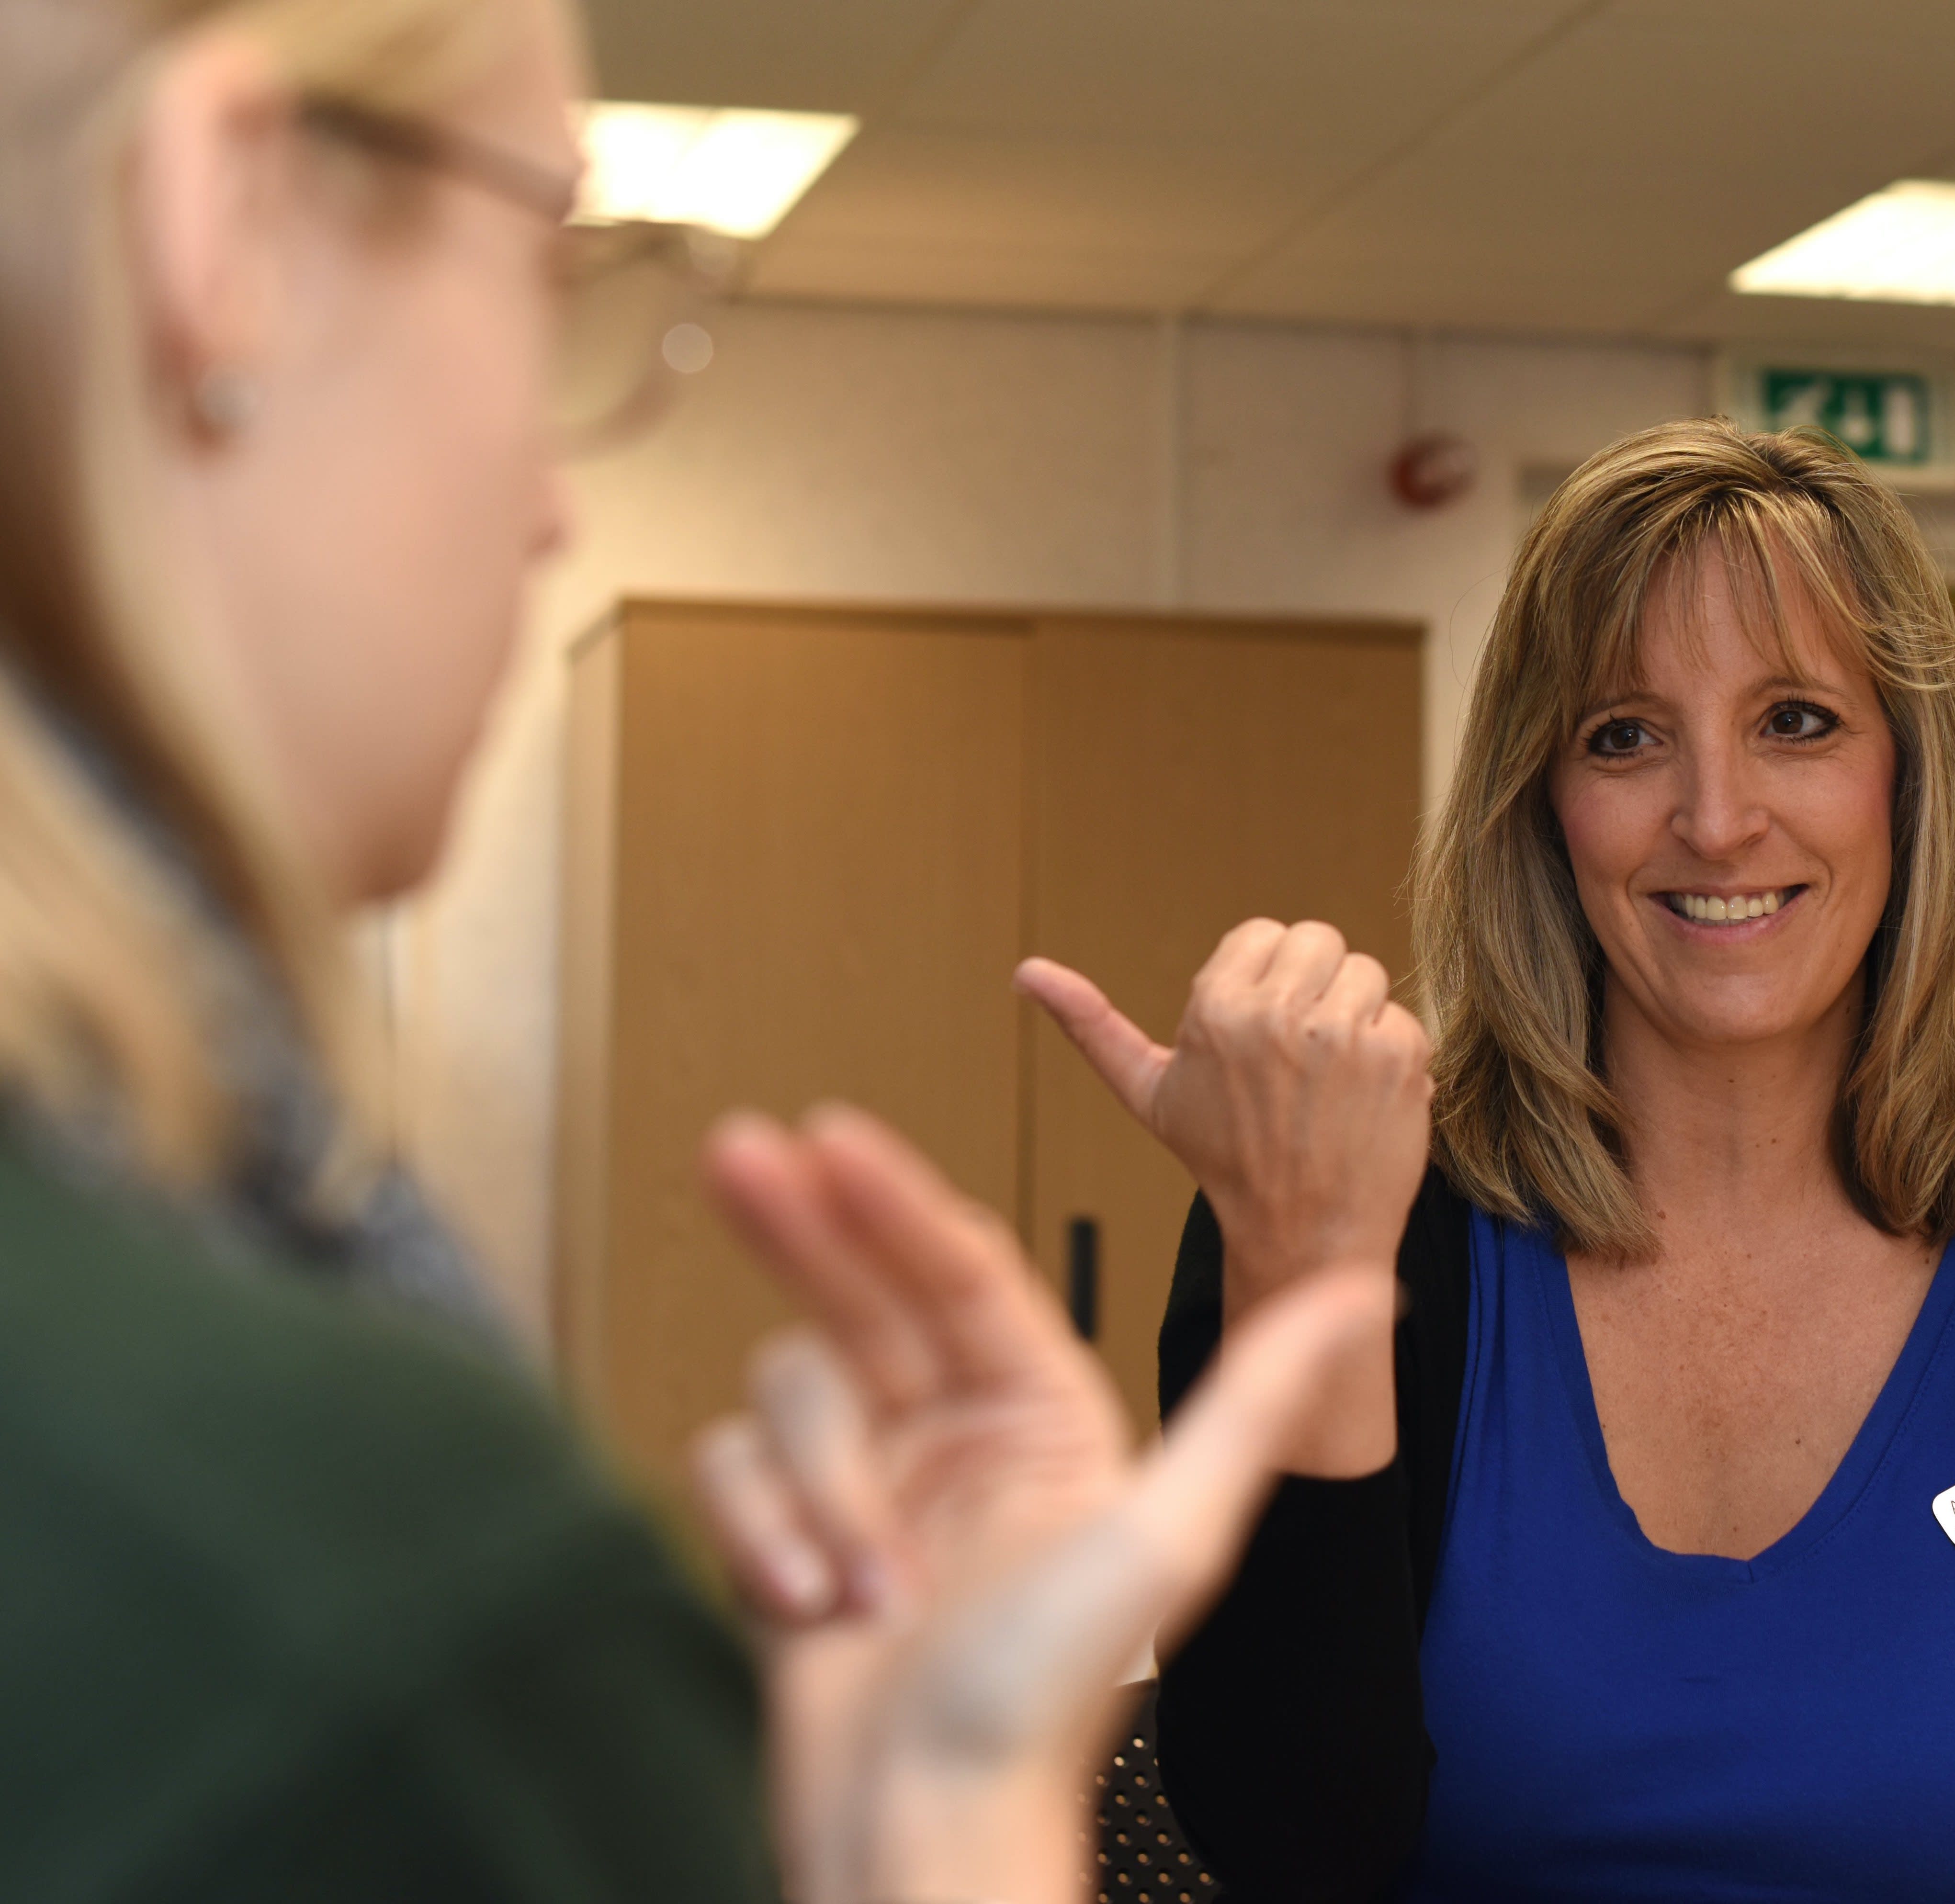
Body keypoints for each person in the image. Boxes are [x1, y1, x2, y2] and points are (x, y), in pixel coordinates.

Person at [0, 0, 1393, 1898]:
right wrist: (958, 1847)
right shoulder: (367, 1591)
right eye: (544, 269)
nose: (553, 495)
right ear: (217, 228)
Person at [1020, 420, 1955, 1902]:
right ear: (1542, 805)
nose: (1716, 818)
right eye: (1624, 735)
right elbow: (1291, 1849)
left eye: (1794, 719)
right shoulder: (1355, 1239)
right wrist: (1307, 1279)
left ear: (1908, 778)